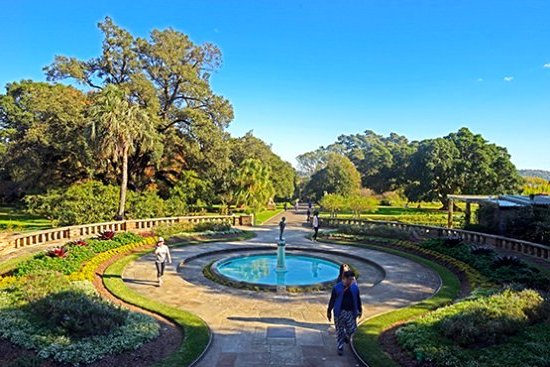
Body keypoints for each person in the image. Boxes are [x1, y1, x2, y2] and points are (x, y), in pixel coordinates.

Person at [327, 270, 362, 355]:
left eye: (352, 279)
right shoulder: (337, 288)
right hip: (339, 312)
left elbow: (357, 299)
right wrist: (329, 311)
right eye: (349, 279)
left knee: (352, 329)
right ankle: (340, 347)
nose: (351, 281)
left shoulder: (355, 288)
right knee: (339, 330)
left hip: (350, 312)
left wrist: (360, 309)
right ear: (344, 278)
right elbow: (332, 300)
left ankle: (346, 336)